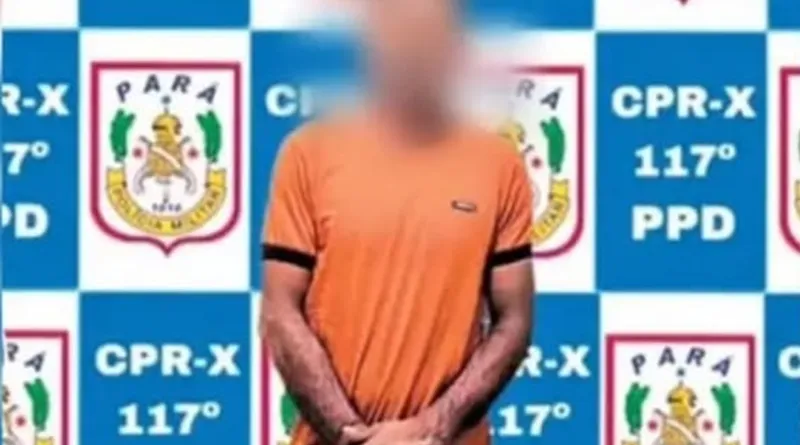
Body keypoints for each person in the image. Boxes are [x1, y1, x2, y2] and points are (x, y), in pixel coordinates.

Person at [259, 1, 535, 444]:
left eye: (429, 35)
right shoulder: (307, 153)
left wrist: (431, 430)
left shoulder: (499, 164)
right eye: (401, 33)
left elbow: (514, 321)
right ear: (373, 44)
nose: (414, 50)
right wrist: (350, 433)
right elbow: (279, 312)